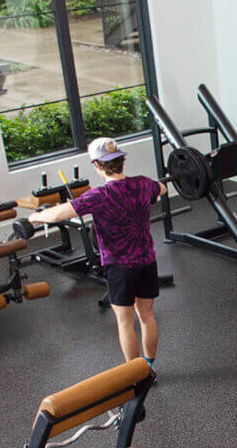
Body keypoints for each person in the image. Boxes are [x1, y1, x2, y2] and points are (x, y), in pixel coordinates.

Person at [28, 137, 166, 367]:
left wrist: (34, 217)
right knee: (147, 316)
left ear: (97, 166)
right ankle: (150, 365)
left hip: (119, 267)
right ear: (121, 160)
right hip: (147, 261)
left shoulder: (99, 196)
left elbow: (56, 215)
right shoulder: (143, 183)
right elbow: (161, 188)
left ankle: (135, 375)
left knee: (125, 323)